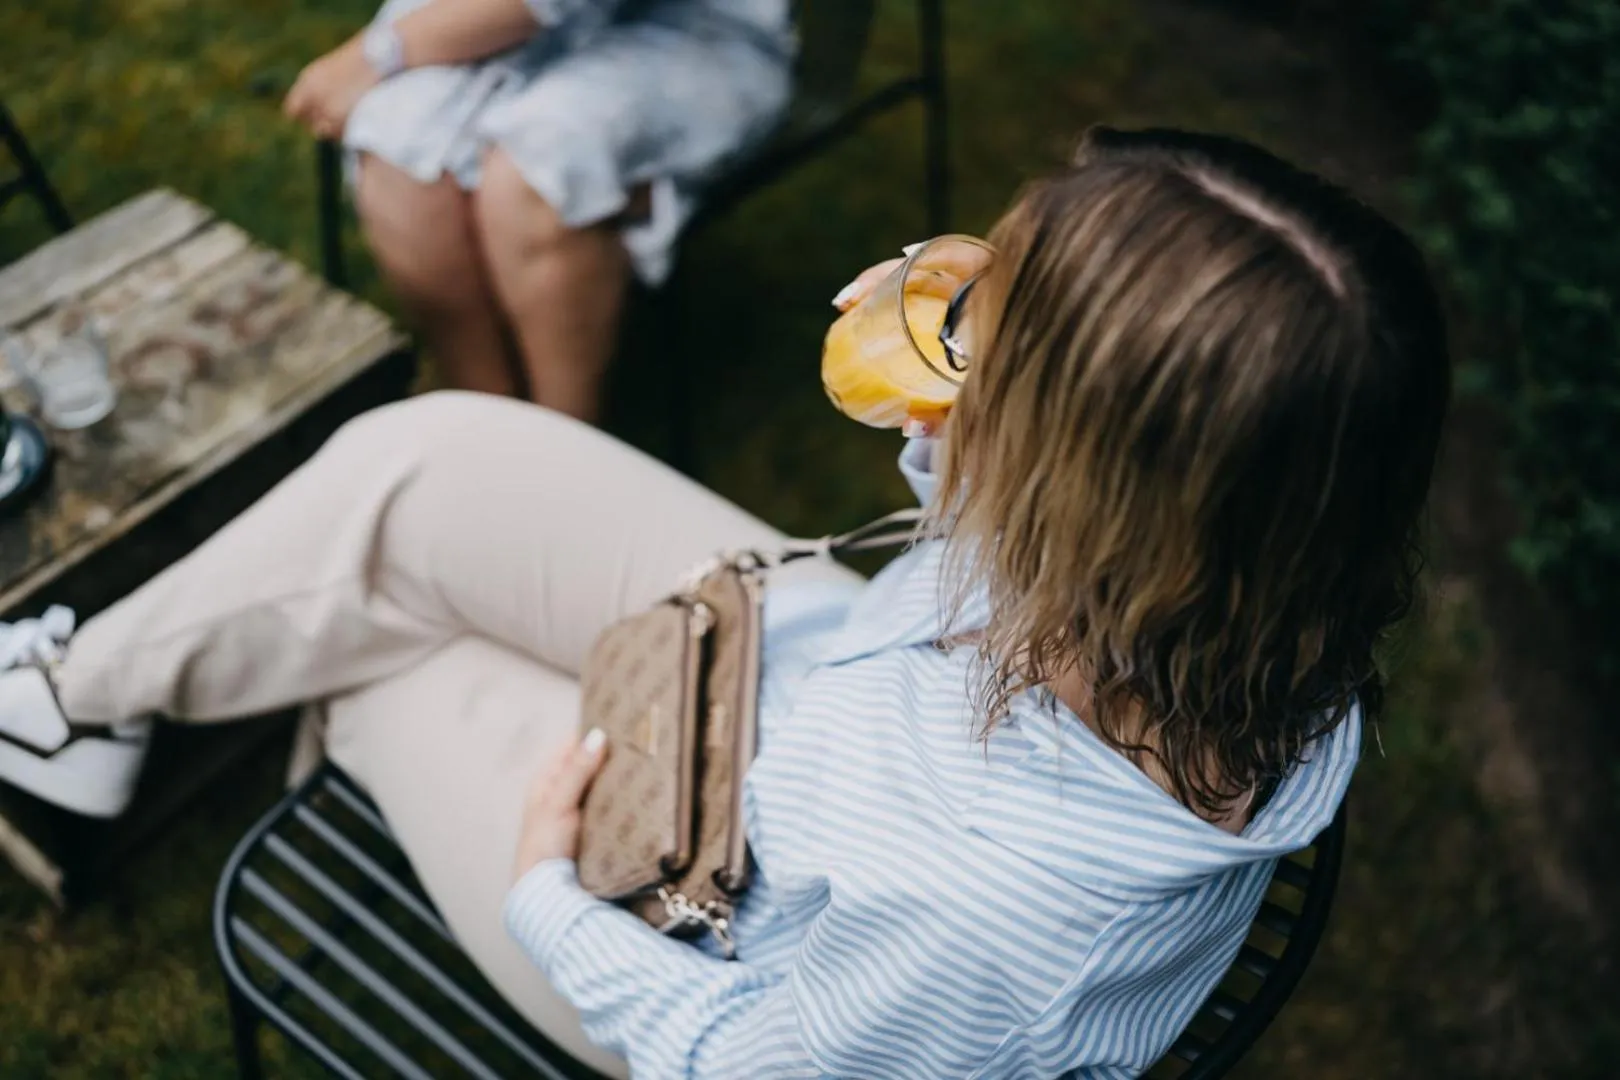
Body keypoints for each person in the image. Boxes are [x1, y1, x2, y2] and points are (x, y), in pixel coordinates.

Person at [0, 127, 1450, 1078]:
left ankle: (102, 728)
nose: (950, 325)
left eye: (988, 338)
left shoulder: (1000, 934)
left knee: (375, 652)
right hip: (824, 688)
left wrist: (547, 898)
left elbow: (750, 1064)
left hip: (708, 931)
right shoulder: (1259, 569)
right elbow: (1005, 539)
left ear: (1099, 480)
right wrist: (952, 411)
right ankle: (70, 711)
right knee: (422, 459)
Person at [282, 0, 794, 422]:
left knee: (537, 172)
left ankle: (567, 435)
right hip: (511, 23)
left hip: (695, 32)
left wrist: (376, 55)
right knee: (395, 144)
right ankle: (484, 410)